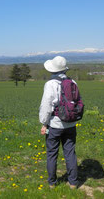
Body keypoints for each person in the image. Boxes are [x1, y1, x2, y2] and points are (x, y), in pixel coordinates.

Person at [39, 56, 78, 189]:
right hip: (71, 124)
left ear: (52, 70)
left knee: (52, 153)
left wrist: (44, 123)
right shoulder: (73, 82)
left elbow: (46, 106)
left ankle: (52, 183)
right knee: (70, 152)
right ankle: (73, 183)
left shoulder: (50, 84)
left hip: (55, 124)